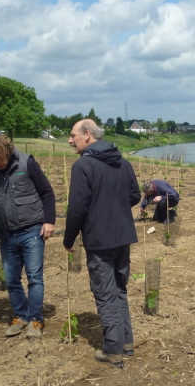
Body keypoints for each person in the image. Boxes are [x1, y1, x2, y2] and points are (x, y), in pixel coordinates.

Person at [63, 119, 141, 368]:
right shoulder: (123, 162)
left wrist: (68, 238)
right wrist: (114, 210)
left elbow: (77, 208)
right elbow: (134, 196)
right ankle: (126, 343)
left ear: (87, 135)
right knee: (119, 290)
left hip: (99, 240)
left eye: (72, 135)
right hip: (123, 237)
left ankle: (113, 351)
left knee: (105, 295)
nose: (69, 140)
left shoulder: (83, 166)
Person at [0, 134, 56, 338]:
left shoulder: (26, 163)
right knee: (12, 279)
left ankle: (35, 320)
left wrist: (49, 221)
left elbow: (46, 192)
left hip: (32, 230)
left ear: (8, 152)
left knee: (34, 278)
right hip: (6, 234)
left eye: (0, 159)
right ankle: (20, 316)